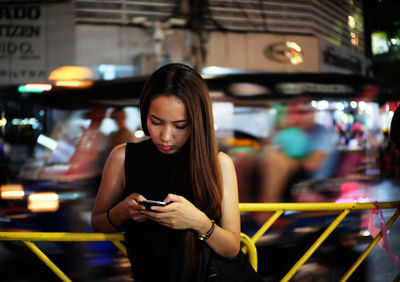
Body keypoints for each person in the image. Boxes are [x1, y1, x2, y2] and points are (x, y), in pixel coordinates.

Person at [91, 63, 242, 282]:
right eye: (156, 122)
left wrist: (198, 221)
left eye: (180, 125)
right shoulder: (122, 157)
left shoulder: (218, 164)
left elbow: (231, 248)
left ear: (198, 122)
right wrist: (121, 212)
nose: (166, 136)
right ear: (145, 114)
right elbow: (97, 223)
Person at [259, 99, 338, 204]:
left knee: (276, 161)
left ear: (313, 113)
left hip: (314, 183)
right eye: (293, 113)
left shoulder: (323, 133)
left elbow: (312, 165)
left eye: (302, 113)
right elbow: (268, 149)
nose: (298, 117)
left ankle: (266, 208)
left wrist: (286, 159)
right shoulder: (291, 132)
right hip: (294, 179)